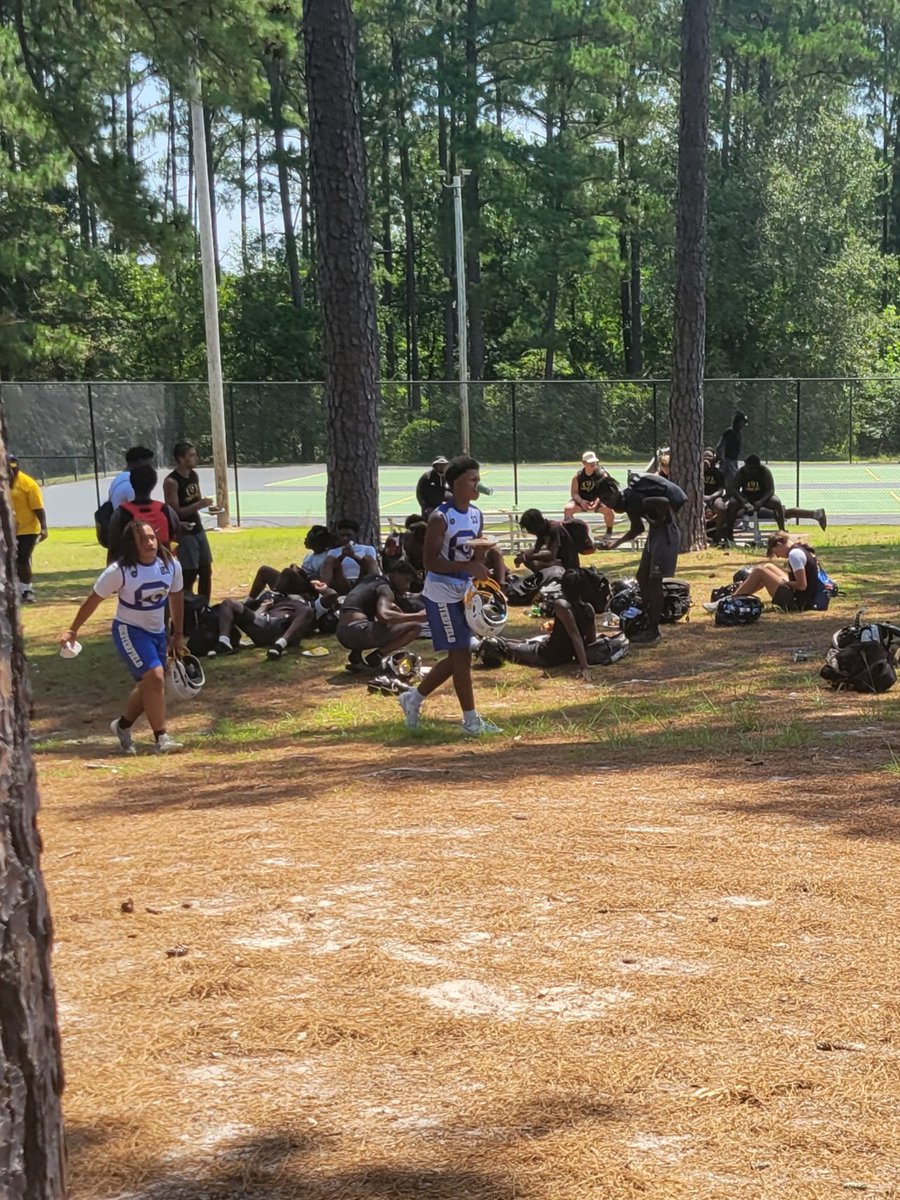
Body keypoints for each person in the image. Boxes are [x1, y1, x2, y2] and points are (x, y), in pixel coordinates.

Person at [60, 520, 186, 754]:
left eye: (152, 537)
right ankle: (162, 738)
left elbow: (176, 598)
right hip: (129, 631)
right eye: (143, 539)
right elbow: (93, 600)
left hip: (157, 631)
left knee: (149, 684)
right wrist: (73, 629)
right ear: (132, 544)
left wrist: (177, 633)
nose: (150, 543)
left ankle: (122, 726)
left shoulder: (171, 565)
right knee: (155, 677)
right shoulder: (120, 571)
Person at [397, 455, 501, 735]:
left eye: (478, 480)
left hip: (463, 590)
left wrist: (482, 558)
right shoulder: (440, 517)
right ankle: (470, 721)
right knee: (461, 655)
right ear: (455, 483)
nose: (477, 485)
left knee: (460, 656)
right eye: (472, 480)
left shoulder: (477, 514)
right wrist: (467, 566)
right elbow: (430, 563)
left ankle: (413, 698)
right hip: (441, 591)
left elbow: (475, 554)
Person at [596, 472, 686, 646]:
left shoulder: (635, 497)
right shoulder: (628, 502)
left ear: (615, 490)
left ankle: (653, 629)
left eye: (608, 498)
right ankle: (647, 616)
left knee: (654, 582)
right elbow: (637, 528)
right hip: (655, 534)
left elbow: (664, 502)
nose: (608, 503)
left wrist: (658, 519)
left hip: (665, 534)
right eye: (604, 501)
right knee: (642, 577)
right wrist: (615, 543)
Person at [480, 568, 608, 680]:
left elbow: (575, 637)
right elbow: (590, 639)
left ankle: (484, 641)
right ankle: (502, 639)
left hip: (547, 656)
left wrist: (584, 667)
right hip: (565, 655)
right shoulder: (588, 608)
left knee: (505, 646)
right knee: (524, 642)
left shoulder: (562, 605)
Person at [337, 560, 426, 671]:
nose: (407, 586)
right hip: (357, 631)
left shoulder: (370, 580)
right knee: (415, 627)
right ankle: (377, 656)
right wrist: (417, 616)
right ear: (394, 574)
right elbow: (384, 616)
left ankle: (356, 656)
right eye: (406, 580)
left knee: (373, 618)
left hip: (341, 631)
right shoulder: (385, 588)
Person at [704, 531, 822, 613]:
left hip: (798, 602)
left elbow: (802, 585)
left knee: (760, 571)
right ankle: (739, 595)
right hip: (805, 597)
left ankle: (728, 601)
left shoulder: (794, 555)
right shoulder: (800, 549)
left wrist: (786, 583)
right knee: (768, 566)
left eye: (776, 552)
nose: (778, 556)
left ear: (780, 544)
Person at [215, 567, 320, 660]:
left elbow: (330, 597)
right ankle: (224, 642)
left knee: (307, 610)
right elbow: (255, 614)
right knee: (228, 603)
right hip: (262, 623)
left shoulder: (307, 602)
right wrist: (262, 608)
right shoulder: (274, 596)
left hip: (281, 628)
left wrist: (321, 589)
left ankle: (280, 645)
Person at [722, 455, 826, 543]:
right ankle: (729, 534)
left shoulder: (764, 471)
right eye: (750, 468)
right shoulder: (741, 472)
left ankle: (783, 530)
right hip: (747, 503)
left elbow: (771, 490)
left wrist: (760, 502)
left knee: (779, 506)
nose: (752, 471)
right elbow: (735, 490)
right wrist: (744, 502)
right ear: (746, 465)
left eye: (754, 469)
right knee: (786, 512)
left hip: (762, 500)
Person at [163, 442, 215, 601]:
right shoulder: (171, 482)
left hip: (198, 528)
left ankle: (204, 606)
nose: (195, 458)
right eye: (191, 455)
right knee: (190, 572)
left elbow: (195, 501)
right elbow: (175, 512)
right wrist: (200, 504)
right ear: (181, 458)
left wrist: (207, 507)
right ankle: (186, 606)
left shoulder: (193, 475)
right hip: (184, 531)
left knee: (206, 569)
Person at [107, 464, 181, 561]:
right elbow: (177, 540)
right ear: (153, 484)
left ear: (131, 483)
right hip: (163, 569)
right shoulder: (166, 510)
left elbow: (113, 548)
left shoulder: (121, 513)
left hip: (132, 571)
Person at [8, 454, 48, 604]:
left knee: (22, 559)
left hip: (28, 529)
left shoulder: (27, 483)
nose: (12, 471)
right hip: (8, 530)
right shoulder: (3, 482)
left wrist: (43, 528)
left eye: (14, 468)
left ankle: (26, 590)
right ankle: (14, 590)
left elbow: (38, 508)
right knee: (10, 560)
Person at [321, 518, 380, 593]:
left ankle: (377, 588)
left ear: (356, 534)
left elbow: (369, 566)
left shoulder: (367, 549)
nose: (345, 538)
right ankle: (322, 591)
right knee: (330, 560)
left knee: (368, 558)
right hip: (342, 582)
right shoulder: (333, 552)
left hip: (362, 581)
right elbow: (332, 567)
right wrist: (342, 556)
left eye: (349, 535)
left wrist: (354, 556)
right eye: (342, 535)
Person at [564, 451, 616, 537]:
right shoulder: (577, 476)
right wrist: (581, 501)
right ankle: (573, 533)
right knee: (568, 509)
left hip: (598, 500)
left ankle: (609, 532)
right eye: (590, 462)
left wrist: (598, 501)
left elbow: (606, 492)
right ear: (583, 463)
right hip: (582, 500)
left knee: (609, 510)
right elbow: (574, 493)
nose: (593, 464)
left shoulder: (602, 474)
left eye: (594, 462)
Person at [515, 508, 581, 571]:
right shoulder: (542, 530)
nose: (529, 532)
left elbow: (551, 555)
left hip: (567, 564)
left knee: (536, 564)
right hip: (557, 561)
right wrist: (523, 555)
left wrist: (526, 557)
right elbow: (536, 549)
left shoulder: (554, 528)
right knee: (529, 561)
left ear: (535, 525)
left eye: (530, 529)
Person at [715, 410, 749, 489]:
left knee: (733, 481)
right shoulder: (729, 432)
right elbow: (721, 445)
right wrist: (721, 457)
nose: (743, 425)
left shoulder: (738, 433)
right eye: (742, 422)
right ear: (737, 422)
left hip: (733, 461)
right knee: (728, 481)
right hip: (727, 461)